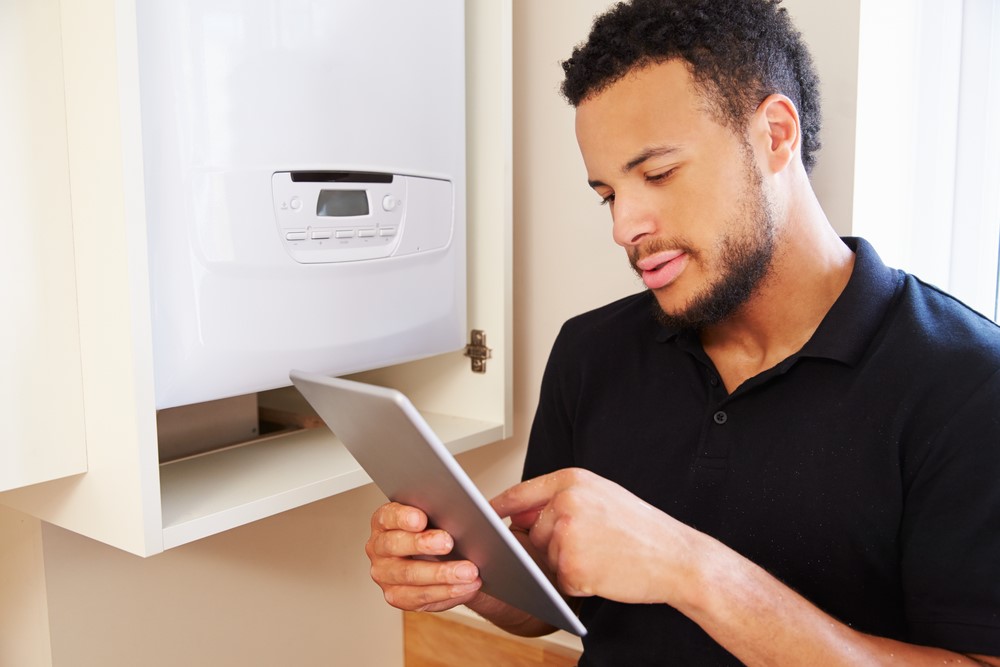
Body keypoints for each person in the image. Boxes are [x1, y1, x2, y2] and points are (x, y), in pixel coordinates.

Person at [365, 0, 1000, 664]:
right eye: (608, 193)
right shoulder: (590, 352)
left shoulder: (968, 386)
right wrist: (464, 576)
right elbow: (560, 599)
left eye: (659, 173)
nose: (624, 227)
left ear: (775, 135)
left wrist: (689, 567)